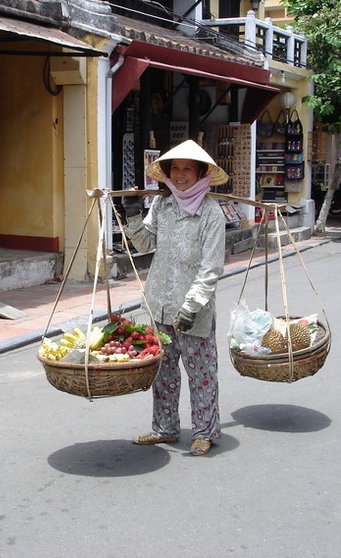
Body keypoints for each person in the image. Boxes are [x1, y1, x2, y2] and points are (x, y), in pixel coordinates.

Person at [121, 139, 227, 456]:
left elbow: (211, 268)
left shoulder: (211, 214)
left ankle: (204, 432)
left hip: (193, 312)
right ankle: (165, 428)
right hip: (159, 306)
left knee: (202, 374)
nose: (180, 175)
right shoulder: (163, 206)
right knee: (163, 374)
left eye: (187, 170)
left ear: (201, 174)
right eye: (175, 169)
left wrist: (192, 306)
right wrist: (132, 215)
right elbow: (143, 244)